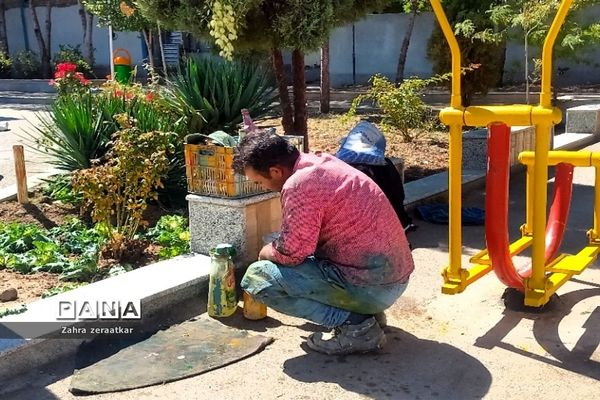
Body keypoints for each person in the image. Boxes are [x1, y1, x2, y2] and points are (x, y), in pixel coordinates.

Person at [233, 131, 414, 355]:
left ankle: (357, 326)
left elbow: (293, 252)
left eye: (259, 181)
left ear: (275, 171)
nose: (261, 187)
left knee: (258, 278)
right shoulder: (321, 163)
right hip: (393, 278)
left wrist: (266, 251)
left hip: (374, 288)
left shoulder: (299, 184)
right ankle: (367, 314)